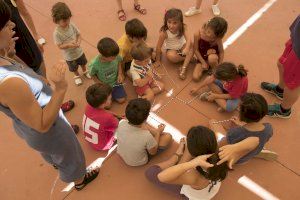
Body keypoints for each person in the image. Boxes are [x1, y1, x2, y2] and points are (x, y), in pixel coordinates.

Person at [0, 0, 99, 190]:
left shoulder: (3, 55)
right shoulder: (10, 83)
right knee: (71, 153)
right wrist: (60, 87)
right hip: (48, 127)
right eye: (5, 25)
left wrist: (10, 56)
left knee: (54, 152)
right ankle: (79, 179)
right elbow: (42, 124)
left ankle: (57, 160)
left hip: (29, 123)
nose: (12, 25)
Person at [145, 126, 229, 199]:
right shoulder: (223, 153)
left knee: (151, 172)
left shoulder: (194, 176)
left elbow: (161, 177)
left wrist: (192, 163)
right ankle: (184, 152)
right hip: (208, 187)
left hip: (193, 194)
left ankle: (177, 155)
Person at [209, 93, 277, 169]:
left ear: (242, 115)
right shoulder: (268, 127)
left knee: (212, 122)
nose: (237, 108)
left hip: (235, 160)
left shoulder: (235, 132)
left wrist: (232, 128)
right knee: (251, 148)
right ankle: (258, 152)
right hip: (249, 156)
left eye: (238, 108)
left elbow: (221, 146)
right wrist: (241, 125)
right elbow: (253, 132)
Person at [260, 15, 300, 119]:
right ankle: (280, 90)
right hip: (297, 37)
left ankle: (284, 110)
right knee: (281, 63)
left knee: (292, 83)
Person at [116, 98, 172, 167]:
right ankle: (157, 133)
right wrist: (158, 133)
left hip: (121, 153)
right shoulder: (146, 136)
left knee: (144, 126)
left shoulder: (122, 122)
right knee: (168, 136)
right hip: (136, 162)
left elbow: (142, 126)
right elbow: (153, 152)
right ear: (147, 117)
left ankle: (156, 132)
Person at [52, 2, 91, 86]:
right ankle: (77, 76)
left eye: (69, 19)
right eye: (64, 21)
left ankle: (85, 71)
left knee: (83, 63)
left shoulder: (71, 25)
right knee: (74, 68)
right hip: (69, 56)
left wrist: (78, 42)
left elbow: (79, 34)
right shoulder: (57, 33)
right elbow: (60, 46)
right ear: (57, 20)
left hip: (79, 52)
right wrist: (68, 45)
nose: (67, 22)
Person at [155, 8, 194, 80]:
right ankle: (188, 58)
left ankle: (183, 68)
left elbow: (189, 39)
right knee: (171, 57)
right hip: (171, 48)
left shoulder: (183, 27)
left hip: (182, 45)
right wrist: (158, 60)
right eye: (169, 22)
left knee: (191, 44)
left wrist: (187, 48)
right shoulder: (164, 33)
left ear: (180, 22)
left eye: (175, 23)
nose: (171, 25)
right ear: (166, 21)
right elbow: (158, 47)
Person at [89, 37, 126, 104]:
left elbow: (119, 62)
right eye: (112, 57)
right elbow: (92, 75)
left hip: (116, 83)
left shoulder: (115, 55)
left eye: (116, 56)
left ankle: (112, 95)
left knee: (122, 100)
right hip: (104, 85)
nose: (115, 58)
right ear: (103, 56)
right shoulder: (94, 64)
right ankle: (109, 97)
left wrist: (120, 74)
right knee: (107, 106)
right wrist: (101, 84)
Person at [83, 83, 119, 151]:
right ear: (103, 103)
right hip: (103, 146)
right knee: (121, 125)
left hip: (90, 140)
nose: (111, 99)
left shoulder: (89, 106)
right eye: (110, 98)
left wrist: (113, 114)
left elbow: (103, 113)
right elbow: (117, 124)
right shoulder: (108, 118)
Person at [192, 16, 227, 81]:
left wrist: (219, 65)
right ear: (207, 26)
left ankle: (214, 69)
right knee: (195, 77)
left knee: (212, 58)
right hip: (202, 58)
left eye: (213, 36)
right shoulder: (197, 34)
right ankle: (208, 67)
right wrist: (203, 62)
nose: (209, 35)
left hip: (213, 57)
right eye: (208, 31)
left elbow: (221, 51)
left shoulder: (218, 38)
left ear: (217, 35)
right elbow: (195, 50)